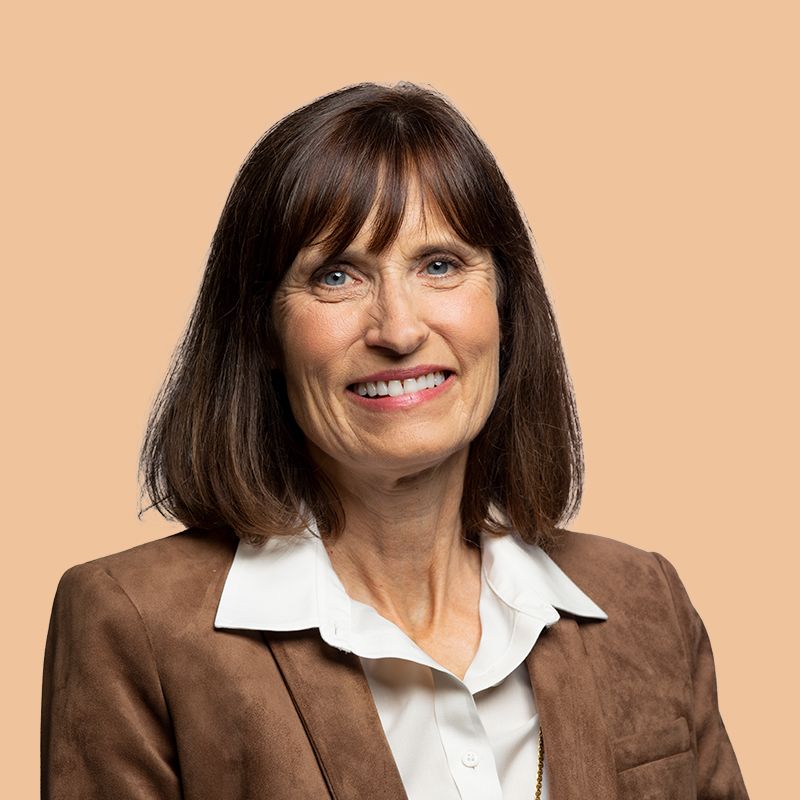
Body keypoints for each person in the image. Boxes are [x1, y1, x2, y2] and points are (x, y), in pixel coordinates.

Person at [41, 82, 748, 800]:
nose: (400, 330)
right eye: (338, 275)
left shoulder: (643, 602)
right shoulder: (137, 625)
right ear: (261, 332)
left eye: (439, 265)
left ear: (505, 303)